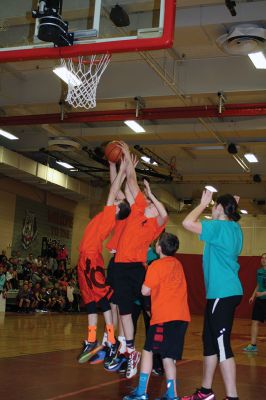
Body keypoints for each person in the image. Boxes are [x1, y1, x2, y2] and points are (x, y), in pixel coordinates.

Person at [109, 141, 168, 379]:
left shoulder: (156, 225)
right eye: (150, 202)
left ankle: (159, 349)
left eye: (152, 203)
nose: (150, 204)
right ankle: (130, 350)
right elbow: (128, 185)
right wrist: (121, 165)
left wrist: (152, 193)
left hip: (137, 268)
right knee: (124, 312)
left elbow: (164, 213)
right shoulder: (137, 211)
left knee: (150, 311)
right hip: (121, 266)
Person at [182, 190, 243, 400]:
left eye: (214, 207)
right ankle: (205, 391)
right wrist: (227, 205)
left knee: (222, 346)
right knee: (210, 343)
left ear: (219, 208)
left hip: (222, 293)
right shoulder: (235, 228)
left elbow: (187, 223)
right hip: (222, 293)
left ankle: (232, 396)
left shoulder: (218, 227)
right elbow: (230, 214)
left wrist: (202, 204)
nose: (211, 210)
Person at [123, 232, 190, 400]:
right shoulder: (178, 264)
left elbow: (145, 290)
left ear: (159, 247)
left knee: (148, 351)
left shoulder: (157, 265)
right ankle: (172, 394)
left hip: (164, 317)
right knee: (169, 357)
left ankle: (141, 393)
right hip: (181, 318)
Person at [77, 157, 130, 364]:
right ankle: (91, 339)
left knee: (102, 298)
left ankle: (111, 338)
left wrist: (122, 170)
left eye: (117, 201)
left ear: (117, 209)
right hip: (84, 259)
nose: (115, 199)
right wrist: (114, 167)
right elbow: (114, 188)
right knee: (90, 300)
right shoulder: (111, 214)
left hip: (91, 258)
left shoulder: (110, 216)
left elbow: (113, 191)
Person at [243, 252, 266, 352]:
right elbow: (258, 285)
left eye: (265, 258)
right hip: (259, 301)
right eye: (262, 258)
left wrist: (263, 293)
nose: (263, 260)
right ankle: (253, 345)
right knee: (255, 321)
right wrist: (253, 296)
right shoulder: (259, 271)